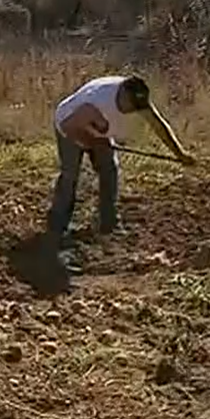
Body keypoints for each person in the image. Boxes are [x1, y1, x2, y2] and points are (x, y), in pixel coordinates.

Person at [47, 75, 195, 274]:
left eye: (138, 106)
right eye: (131, 105)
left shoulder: (135, 96)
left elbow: (158, 126)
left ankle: (108, 223)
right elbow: (68, 127)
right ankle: (57, 227)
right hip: (68, 124)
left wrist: (180, 154)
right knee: (70, 174)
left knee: (110, 170)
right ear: (123, 94)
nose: (134, 110)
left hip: (97, 128)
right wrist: (92, 142)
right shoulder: (97, 102)